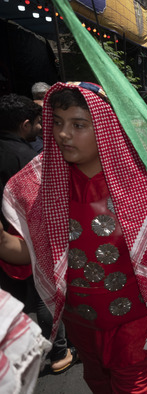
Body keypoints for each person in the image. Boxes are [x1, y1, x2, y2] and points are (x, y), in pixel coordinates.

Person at [0, 82, 147, 393]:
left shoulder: (141, 183)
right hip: (82, 328)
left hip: (136, 328)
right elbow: (32, 252)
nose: (63, 134)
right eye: (58, 123)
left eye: (78, 125)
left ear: (106, 128)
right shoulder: (42, 185)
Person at [0, 93, 75, 375]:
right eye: (51, 122)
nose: (54, 131)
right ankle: (58, 351)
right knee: (44, 294)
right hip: (26, 240)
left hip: (11, 242)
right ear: (25, 125)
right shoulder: (31, 161)